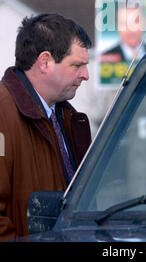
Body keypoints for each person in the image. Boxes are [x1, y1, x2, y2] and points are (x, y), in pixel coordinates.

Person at [0, 13, 92, 240]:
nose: (86, 75)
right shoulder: (2, 113)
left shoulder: (67, 118)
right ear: (45, 62)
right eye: (77, 65)